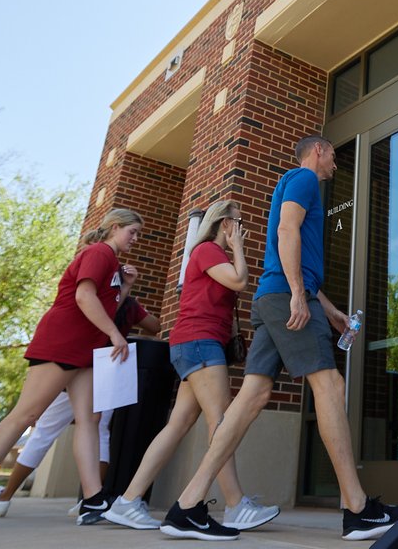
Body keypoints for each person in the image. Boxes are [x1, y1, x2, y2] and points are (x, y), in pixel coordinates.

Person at [159, 136, 398, 541]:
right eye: (332, 155)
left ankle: (186, 505)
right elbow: (286, 231)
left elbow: (293, 257)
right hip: (285, 298)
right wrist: (298, 294)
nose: (334, 164)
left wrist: (326, 309)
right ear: (318, 152)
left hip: (275, 297)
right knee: (329, 385)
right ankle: (358, 508)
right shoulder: (303, 179)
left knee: (250, 399)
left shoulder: (297, 183)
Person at [0, 208, 141, 531]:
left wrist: (126, 287)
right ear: (114, 227)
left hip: (89, 349)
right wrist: (116, 334)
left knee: (91, 420)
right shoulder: (98, 252)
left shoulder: (114, 265)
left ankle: (93, 498)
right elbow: (83, 296)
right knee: (25, 416)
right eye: (132, 232)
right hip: (63, 341)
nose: (135, 239)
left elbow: (105, 306)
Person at [103, 200, 279, 532]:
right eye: (238, 224)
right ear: (224, 224)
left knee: (178, 424)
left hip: (193, 344)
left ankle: (128, 500)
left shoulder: (209, 255)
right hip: (199, 343)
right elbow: (240, 280)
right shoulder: (210, 252)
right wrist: (238, 247)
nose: (243, 230)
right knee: (221, 422)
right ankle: (235, 504)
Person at [0, 289, 160, 517]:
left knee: (44, 432)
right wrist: (135, 307)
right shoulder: (129, 306)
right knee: (100, 433)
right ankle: (90, 501)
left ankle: (5, 497)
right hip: (105, 369)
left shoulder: (92, 298)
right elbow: (155, 326)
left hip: (75, 364)